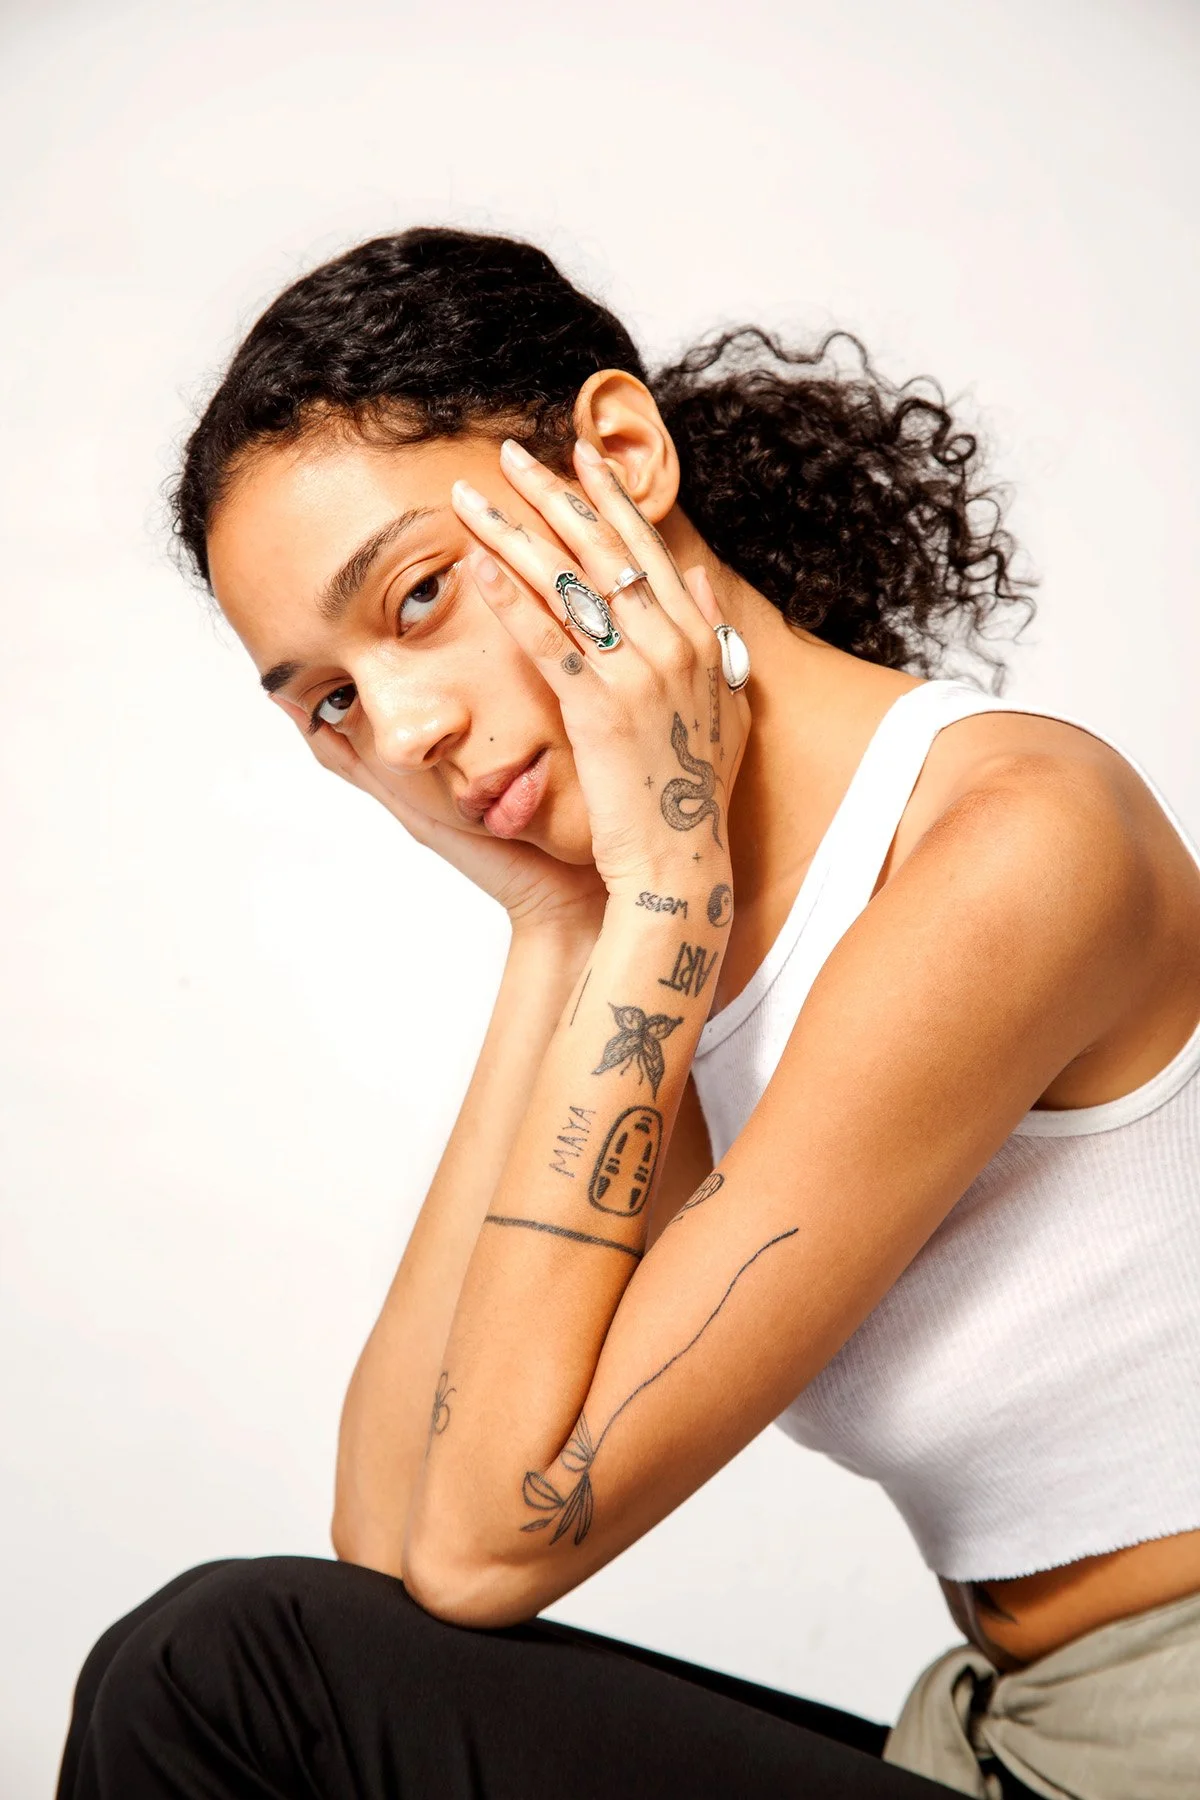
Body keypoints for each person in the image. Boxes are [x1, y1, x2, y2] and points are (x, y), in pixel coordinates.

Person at [58, 228, 1200, 1800]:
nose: (403, 729)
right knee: (217, 1672)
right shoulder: (684, 927)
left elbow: (486, 1544)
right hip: (1004, 1735)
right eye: (330, 702)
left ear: (618, 454)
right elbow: (386, 1539)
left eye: (418, 595)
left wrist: (657, 888)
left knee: (226, 1675)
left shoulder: (1013, 849)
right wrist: (566, 920)